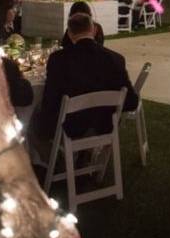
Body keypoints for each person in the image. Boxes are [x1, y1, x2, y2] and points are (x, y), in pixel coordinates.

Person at [35, 13, 138, 142]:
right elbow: (132, 102)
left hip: (70, 128)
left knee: (36, 115)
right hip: (104, 126)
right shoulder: (115, 58)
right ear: (94, 30)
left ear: (70, 33)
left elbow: (50, 102)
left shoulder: (58, 59)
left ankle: (43, 157)